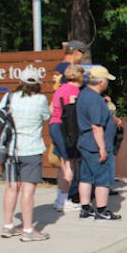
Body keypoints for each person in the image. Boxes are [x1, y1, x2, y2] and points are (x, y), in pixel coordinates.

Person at [0, 68, 51, 242]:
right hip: (32, 149)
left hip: (11, 149)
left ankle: (8, 226)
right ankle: (28, 229)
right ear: (37, 83)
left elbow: (0, 115)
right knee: (28, 191)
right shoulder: (41, 99)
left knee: (11, 187)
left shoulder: (9, 98)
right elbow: (46, 116)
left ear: (20, 82)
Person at [76, 66, 121, 221]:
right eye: (107, 80)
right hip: (95, 144)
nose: (107, 83)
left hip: (84, 141)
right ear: (101, 82)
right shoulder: (95, 99)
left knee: (86, 176)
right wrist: (102, 147)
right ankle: (102, 210)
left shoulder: (83, 94)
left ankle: (85, 207)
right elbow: (96, 126)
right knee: (103, 177)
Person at [49, 64, 84, 212]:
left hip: (54, 125)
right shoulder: (74, 91)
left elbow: (51, 108)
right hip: (65, 128)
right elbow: (72, 113)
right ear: (79, 77)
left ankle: (60, 198)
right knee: (69, 166)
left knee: (63, 164)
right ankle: (63, 201)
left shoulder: (60, 89)